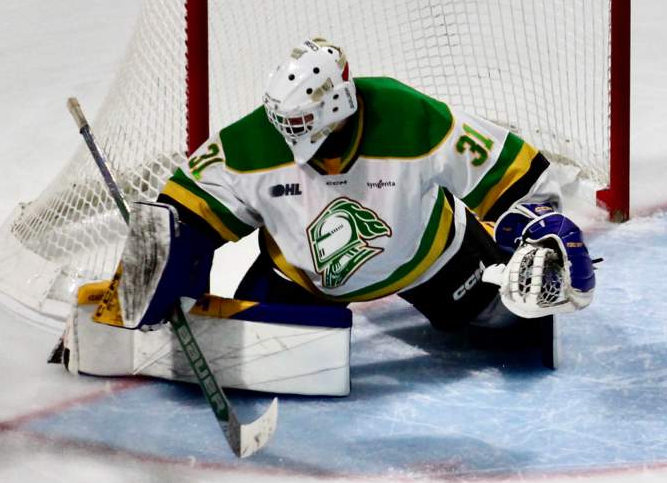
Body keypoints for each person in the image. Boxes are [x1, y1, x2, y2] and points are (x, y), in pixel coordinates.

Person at [111, 37, 595, 356]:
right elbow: (183, 212)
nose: (288, 132)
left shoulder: (409, 118)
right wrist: (159, 262)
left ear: (339, 103)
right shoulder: (250, 143)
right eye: (284, 121)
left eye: (301, 122)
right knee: (257, 353)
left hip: (431, 258)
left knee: (517, 328)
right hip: (300, 281)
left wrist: (536, 225)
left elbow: (518, 174)